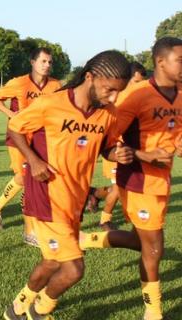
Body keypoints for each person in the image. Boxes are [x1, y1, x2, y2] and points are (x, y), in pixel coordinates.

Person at [2, 50, 132, 320]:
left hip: (75, 200)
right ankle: (39, 312)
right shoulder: (52, 104)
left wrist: (115, 154)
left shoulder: (107, 114)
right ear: (89, 77)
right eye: (109, 90)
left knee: (51, 262)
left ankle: (16, 309)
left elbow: (105, 147)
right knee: (74, 268)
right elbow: (15, 127)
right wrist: (34, 161)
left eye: (118, 92)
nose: (113, 98)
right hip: (48, 198)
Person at [80, 37, 182, 320]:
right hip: (137, 180)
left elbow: (174, 131)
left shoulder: (180, 94)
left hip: (161, 180)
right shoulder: (136, 96)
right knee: (154, 248)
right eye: (181, 60)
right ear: (160, 62)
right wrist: (143, 155)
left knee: (141, 242)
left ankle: (87, 239)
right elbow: (107, 143)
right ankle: (154, 311)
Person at [0, 48, 62, 244]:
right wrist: (12, 115)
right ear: (33, 62)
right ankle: (31, 232)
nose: (47, 65)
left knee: (32, 178)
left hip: (42, 138)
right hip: (18, 137)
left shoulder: (55, 85)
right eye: (43, 61)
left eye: (50, 62)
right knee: (24, 176)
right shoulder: (19, 83)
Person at [86, 61, 147, 231]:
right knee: (120, 187)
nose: (139, 86)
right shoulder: (114, 101)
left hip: (126, 150)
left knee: (121, 186)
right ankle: (104, 221)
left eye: (141, 83)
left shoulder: (137, 100)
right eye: (136, 82)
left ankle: (96, 194)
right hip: (114, 150)